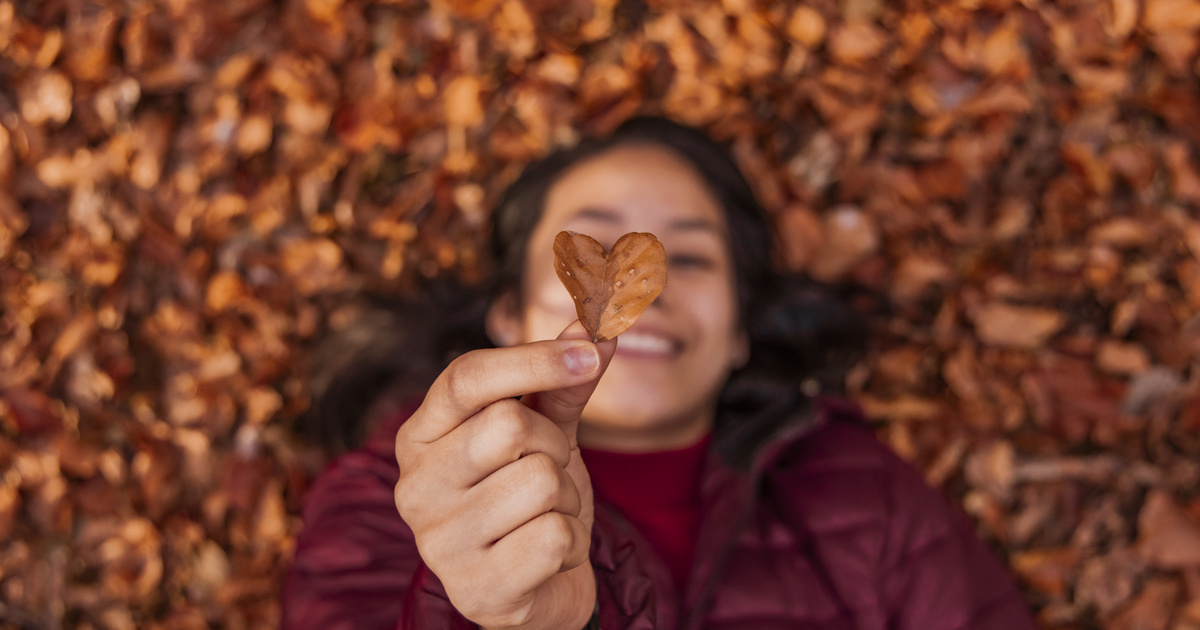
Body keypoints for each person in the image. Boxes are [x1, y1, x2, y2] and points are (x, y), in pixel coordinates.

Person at [281, 117, 1037, 630]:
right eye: (591, 243)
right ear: (507, 315)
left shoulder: (867, 494)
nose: (651, 295)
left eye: (695, 257)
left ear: (740, 333)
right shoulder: (394, 501)